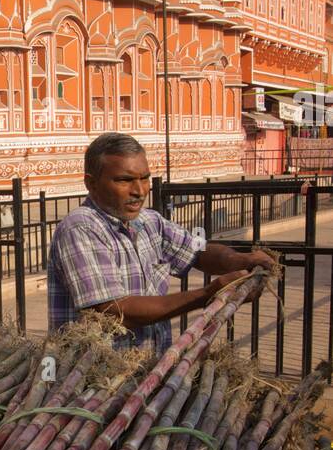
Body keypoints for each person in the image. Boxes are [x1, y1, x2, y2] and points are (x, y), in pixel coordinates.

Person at [48, 133, 275, 352]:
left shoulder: (150, 220)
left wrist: (238, 259)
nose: (139, 191)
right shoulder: (81, 227)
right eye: (125, 180)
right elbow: (115, 311)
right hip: (95, 379)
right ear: (92, 183)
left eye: (144, 178)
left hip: (148, 368)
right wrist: (208, 294)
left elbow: (198, 249)